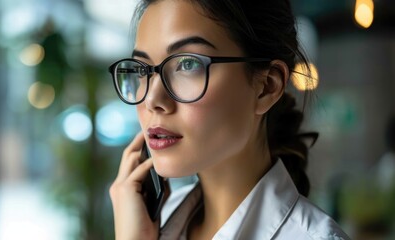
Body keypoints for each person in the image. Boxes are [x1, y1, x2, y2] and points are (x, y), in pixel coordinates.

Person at [107, 0, 350, 239]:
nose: (151, 99)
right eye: (141, 69)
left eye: (187, 64)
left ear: (267, 86)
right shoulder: (150, 223)